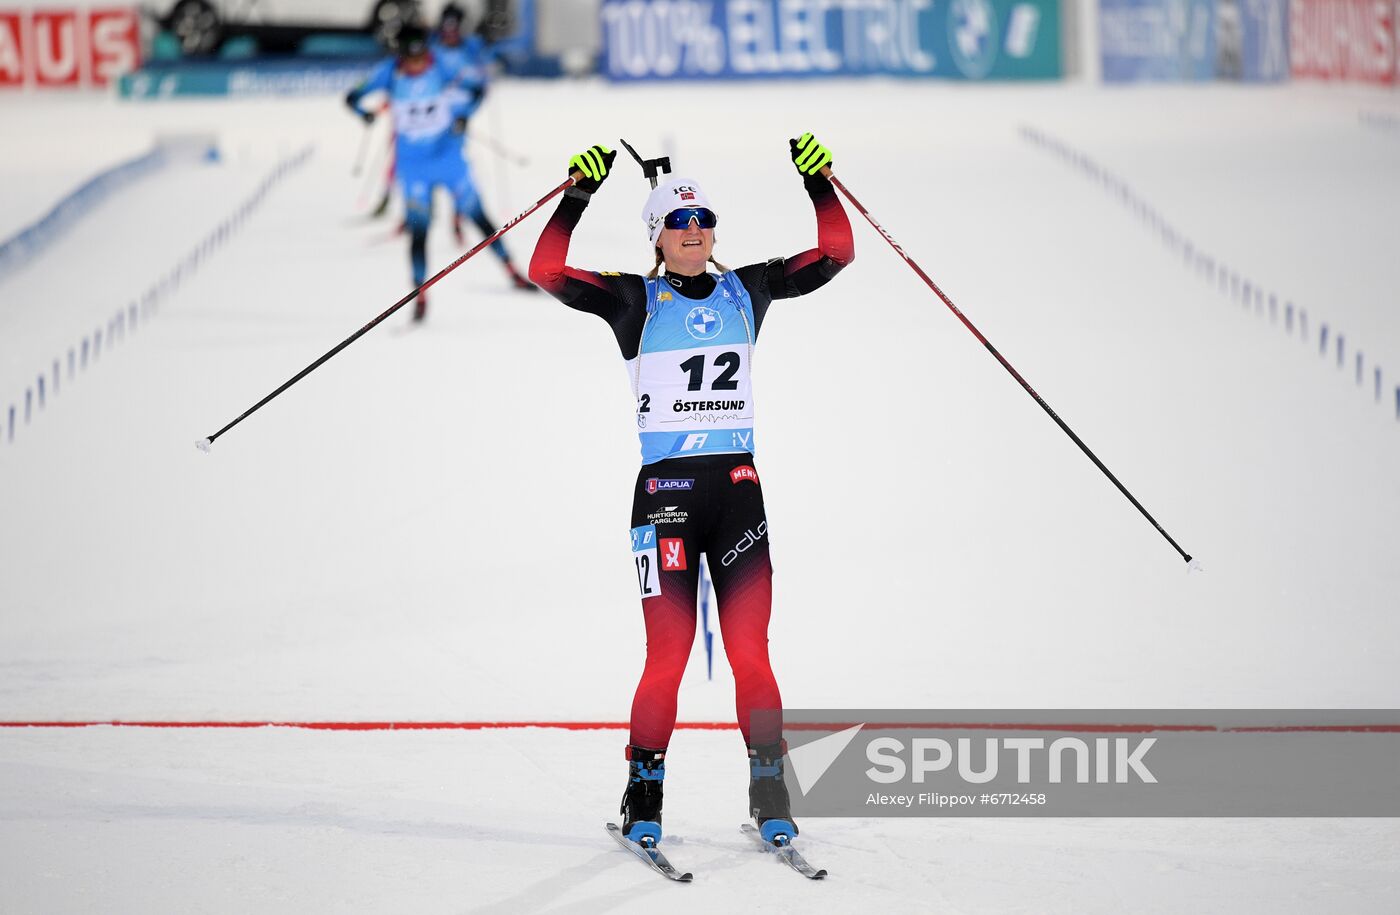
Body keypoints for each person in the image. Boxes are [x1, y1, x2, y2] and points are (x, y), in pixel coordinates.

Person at [528, 135, 854, 846]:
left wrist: (819, 183)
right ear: (657, 235)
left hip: (738, 492)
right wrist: (577, 195)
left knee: (751, 653)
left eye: (703, 219)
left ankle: (769, 782)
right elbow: (545, 268)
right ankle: (644, 791)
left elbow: (836, 254)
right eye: (678, 223)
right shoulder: (634, 300)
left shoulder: (748, 290)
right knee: (668, 653)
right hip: (666, 497)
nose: (694, 231)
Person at [345, 25, 532, 323]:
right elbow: (352, 97)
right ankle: (420, 295)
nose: (417, 65)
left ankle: (512, 271)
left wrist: (463, 117)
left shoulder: (442, 65)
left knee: (480, 218)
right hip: (414, 167)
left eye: (422, 58)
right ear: (401, 56)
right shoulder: (389, 72)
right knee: (418, 232)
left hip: (448, 159)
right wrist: (363, 114)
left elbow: (478, 88)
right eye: (411, 59)